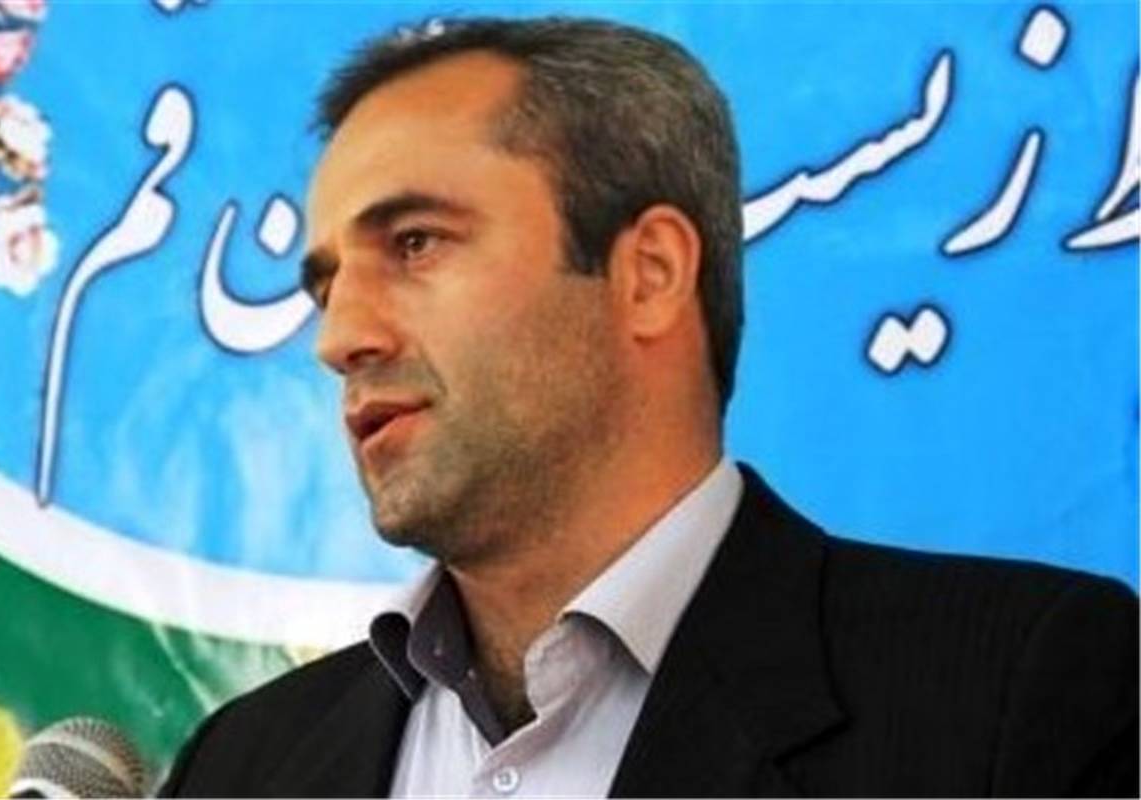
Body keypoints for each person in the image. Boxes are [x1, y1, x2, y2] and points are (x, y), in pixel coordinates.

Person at [160, 16, 1138, 798]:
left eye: (415, 243)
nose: (339, 337)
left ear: (651, 274)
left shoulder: (1015, 691)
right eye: (326, 285)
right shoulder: (241, 765)